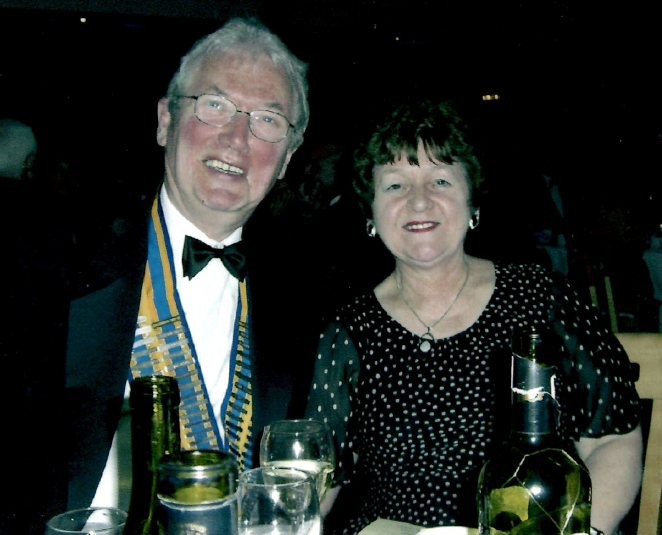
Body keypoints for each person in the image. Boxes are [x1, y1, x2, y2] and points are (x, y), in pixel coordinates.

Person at [3, 17, 317, 535]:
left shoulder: (306, 293)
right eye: (214, 106)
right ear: (166, 121)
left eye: (267, 120)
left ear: (288, 157)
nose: (237, 138)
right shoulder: (48, 269)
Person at [306, 98, 643, 535]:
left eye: (440, 180)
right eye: (395, 185)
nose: (419, 201)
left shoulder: (539, 297)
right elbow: (315, 476)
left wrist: (581, 530)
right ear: (370, 213)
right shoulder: (348, 329)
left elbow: (614, 436)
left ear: (472, 203)